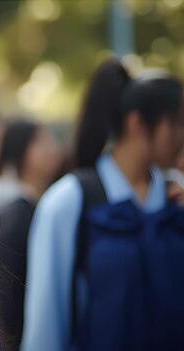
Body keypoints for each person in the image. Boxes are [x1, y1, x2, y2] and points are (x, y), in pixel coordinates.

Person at [21, 60, 184, 351]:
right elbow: (45, 327)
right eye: (177, 122)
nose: (182, 135)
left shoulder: (175, 198)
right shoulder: (69, 200)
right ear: (137, 123)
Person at [0, 118, 62, 350]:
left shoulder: (34, 202)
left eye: (51, 141)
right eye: (41, 142)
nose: (52, 149)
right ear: (18, 148)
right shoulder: (15, 206)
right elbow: (4, 289)